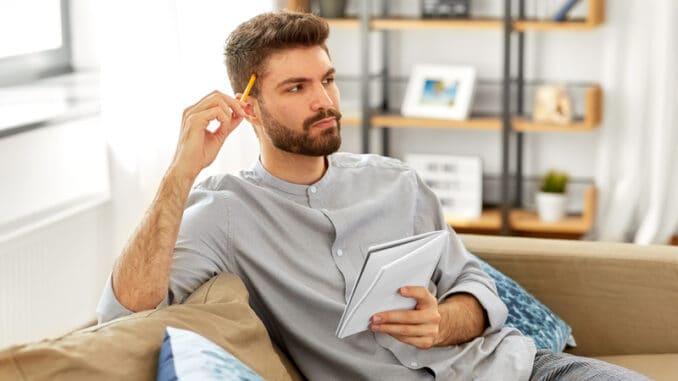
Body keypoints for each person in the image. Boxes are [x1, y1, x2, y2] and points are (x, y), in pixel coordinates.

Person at [97, 11, 649, 381]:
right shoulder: (225, 213)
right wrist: (180, 171)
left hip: (519, 369)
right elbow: (121, 313)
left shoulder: (396, 182)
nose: (326, 101)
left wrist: (445, 321)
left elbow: (472, 283)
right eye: (297, 88)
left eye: (328, 79)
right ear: (248, 107)